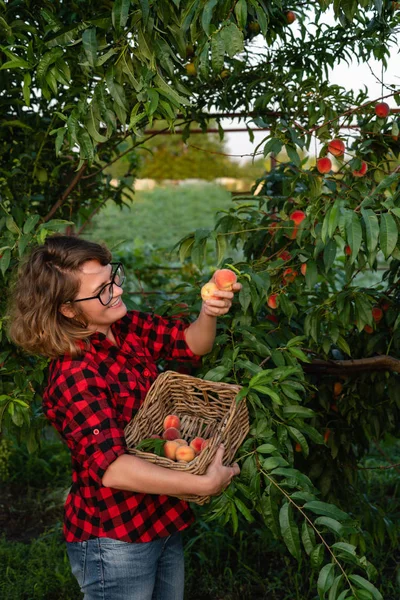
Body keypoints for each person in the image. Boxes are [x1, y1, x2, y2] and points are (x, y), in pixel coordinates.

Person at [7, 234, 241, 600]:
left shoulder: (124, 327)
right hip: (115, 536)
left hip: (161, 513)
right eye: (101, 289)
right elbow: (113, 470)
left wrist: (208, 312)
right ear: (68, 309)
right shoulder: (75, 374)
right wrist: (203, 486)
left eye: (112, 276)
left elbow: (192, 343)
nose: (116, 290)